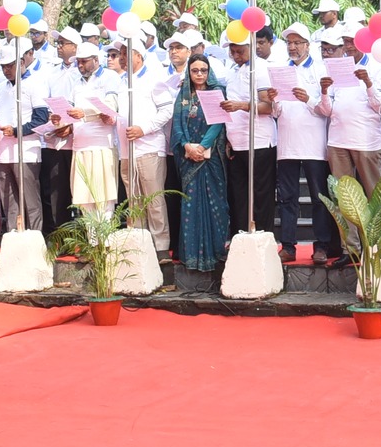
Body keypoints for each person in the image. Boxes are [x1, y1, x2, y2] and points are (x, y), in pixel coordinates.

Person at [274, 22, 337, 265]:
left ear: (307, 45)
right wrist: (274, 100)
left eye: (297, 42)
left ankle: (321, 245)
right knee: (287, 197)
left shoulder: (322, 69)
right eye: (289, 43)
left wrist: (308, 98)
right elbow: (277, 112)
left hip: (314, 144)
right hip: (287, 143)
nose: (292, 47)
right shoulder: (281, 70)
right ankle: (288, 245)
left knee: (318, 197)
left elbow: (327, 110)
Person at [116, 34, 176, 252]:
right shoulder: (121, 81)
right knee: (134, 201)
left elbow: (168, 110)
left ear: (138, 55)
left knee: (154, 201)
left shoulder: (153, 78)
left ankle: (160, 247)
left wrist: (144, 128)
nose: (121, 58)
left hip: (149, 148)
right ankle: (140, 244)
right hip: (126, 150)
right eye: (120, 54)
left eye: (125, 53)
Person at [170, 55, 230, 270]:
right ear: (189, 72)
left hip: (210, 158)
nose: (199, 74)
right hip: (188, 158)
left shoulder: (216, 93)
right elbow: (177, 124)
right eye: (195, 70)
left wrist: (203, 147)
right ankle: (192, 256)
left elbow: (217, 124)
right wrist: (187, 146)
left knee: (216, 205)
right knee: (190, 205)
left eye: (203, 70)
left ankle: (216, 253)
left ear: (209, 71)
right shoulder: (183, 95)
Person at [222, 32, 278, 240]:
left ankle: (264, 237)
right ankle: (240, 237)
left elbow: (268, 106)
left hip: (260, 141)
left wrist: (241, 106)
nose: (236, 55)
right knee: (239, 195)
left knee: (261, 195)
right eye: (233, 51)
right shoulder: (232, 71)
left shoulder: (261, 68)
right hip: (237, 142)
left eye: (240, 51)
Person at [319, 31, 381, 195]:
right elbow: (327, 111)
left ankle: (379, 223)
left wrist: (368, 83)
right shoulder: (336, 65)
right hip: (338, 141)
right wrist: (324, 91)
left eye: (353, 42)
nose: (349, 46)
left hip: (366, 141)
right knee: (345, 199)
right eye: (346, 42)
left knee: (374, 196)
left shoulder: (377, 65)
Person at [0, 45, 46, 235]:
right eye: (3, 67)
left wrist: (16, 131)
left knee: (30, 200)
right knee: (9, 201)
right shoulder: (0, 88)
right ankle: (13, 237)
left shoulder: (35, 84)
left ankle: (35, 237)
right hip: (3, 152)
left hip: (27, 151)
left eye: (10, 65)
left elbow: (41, 119)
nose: (7, 70)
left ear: (22, 62)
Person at [66, 48, 121, 220]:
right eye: (78, 62)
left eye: (84, 61)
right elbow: (69, 108)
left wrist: (85, 112)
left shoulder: (110, 77)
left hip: (102, 146)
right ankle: (92, 243)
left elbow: (111, 105)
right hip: (79, 146)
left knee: (104, 197)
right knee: (84, 198)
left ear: (96, 59)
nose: (80, 65)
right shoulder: (75, 82)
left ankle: (104, 243)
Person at [38, 29, 81, 231]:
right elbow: (46, 103)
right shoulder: (51, 72)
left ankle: (79, 234)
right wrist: (52, 121)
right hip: (54, 137)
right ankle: (59, 234)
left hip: (77, 139)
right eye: (58, 43)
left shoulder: (80, 72)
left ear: (75, 46)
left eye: (63, 43)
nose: (59, 46)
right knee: (55, 190)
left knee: (78, 190)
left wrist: (71, 126)